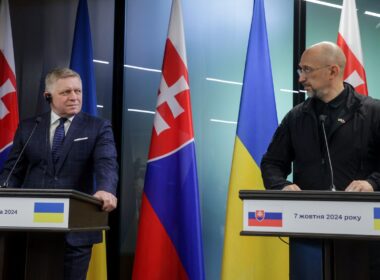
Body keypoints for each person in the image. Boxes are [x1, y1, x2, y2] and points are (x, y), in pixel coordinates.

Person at [261, 41, 380, 279]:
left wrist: (373, 183)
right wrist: (282, 186)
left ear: (333, 71)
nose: (301, 78)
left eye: (307, 70)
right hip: (308, 232)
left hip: (362, 235)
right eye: (300, 70)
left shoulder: (372, 112)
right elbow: (272, 163)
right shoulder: (296, 117)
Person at [0, 68, 118, 279]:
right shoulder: (29, 128)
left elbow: (106, 163)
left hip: (76, 229)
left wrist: (105, 189)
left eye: (78, 91)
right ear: (48, 96)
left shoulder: (98, 127)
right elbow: (12, 172)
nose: (74, 97)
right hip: (31, 229)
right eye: (66, 92)